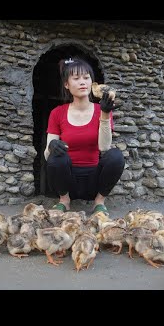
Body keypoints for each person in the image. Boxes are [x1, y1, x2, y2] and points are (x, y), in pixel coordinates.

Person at [44, 56, 125, 215]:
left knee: (116, 156)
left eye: (86, 78)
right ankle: (64, 201)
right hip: (68, 181)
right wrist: (52, 146)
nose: (83, 82)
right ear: (67, 84)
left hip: (93, 181)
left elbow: (104, 147)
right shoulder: (57, 113)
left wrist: (105, 114)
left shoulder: (101, 109)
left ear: (92, 83)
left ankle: (99, 202)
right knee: (56, 156)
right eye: (76, 78)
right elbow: (47, 155)